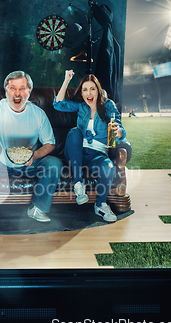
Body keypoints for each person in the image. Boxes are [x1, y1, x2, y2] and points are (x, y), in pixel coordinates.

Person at [0, 70, 62, 224]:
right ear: (6, 90)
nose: (17, 93)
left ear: (29, 91)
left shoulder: (38, 114)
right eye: (12, 88)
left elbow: (50, 143)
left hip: (28, 164)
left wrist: (35, 155)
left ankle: (38, 208)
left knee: (54, 163)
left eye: (22, 88)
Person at [53, 70, 126, 222]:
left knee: (108, 167)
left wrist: (118, 132)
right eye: (85, 89)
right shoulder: (81, 106)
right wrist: (66, 80)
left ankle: (100, 205)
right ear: (81, 92)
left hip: (97, 156)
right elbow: (58, 105)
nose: (89, 93)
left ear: (98, 91)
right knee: (74, 132)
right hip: (75, 153)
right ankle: (78, 184)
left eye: (92, 88)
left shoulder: (108, 105)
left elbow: (119, 128)